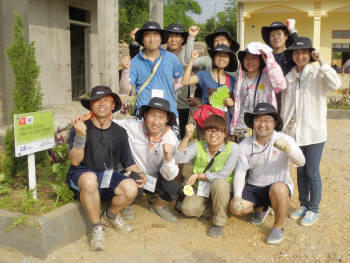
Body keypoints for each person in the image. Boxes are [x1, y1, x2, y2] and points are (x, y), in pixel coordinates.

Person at [66, 86, 146, 251]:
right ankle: (97, 227)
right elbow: (74, 161)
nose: (101, 104)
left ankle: (111, 215)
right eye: (96, 100)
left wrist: (140, 174)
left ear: (112, 105)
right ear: (90, 105)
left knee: (131, 187)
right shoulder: (80, 127)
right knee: (89, 179)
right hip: (82, 177)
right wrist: (81, 136)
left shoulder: (120, 132)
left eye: (106, 100)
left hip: (108, 177)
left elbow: (128, 161)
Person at [281, 37, 341, 226]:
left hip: (314, 133)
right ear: (292, 55)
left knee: (312, 172)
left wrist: (322, 61)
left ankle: (313, 208)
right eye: (297, 53)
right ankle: (303, 204)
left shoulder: (317, 72)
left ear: (310, 54)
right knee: (300, 171)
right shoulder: (290, 76)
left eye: (304, 52)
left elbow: (336, 84)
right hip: (295, 133)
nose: (300, 56)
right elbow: (286, 105)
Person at [229, 103, 305, 244]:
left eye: (267, 120)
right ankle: (261, 209)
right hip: (255, 186)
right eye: (258, 120)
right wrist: (238, 197)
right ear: (253, 122)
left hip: (278, 186)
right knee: (235, 209)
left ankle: (278, 227)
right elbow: (240, 172)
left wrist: (289, 150)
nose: (262, 124)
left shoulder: (284, 139)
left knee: (279, 189)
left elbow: (301, 162)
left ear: (275, 122)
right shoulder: (245, 144)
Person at [114, 97, 180, 222]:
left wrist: (168, 157)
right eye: (152, 115)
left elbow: (170, 175)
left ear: (167, 120)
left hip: (154, 179)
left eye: (161, 117)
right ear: (145, 115)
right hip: (135, 174)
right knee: (132, 183)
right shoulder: (132, 126)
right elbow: (111, 122)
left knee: (172, 187)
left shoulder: (171, 139)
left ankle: (158, 205)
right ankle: (126, 203)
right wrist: (87, 117)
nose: (156, 122)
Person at [175, 115, 239, 237]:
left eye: (218, 130)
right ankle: (218, 208)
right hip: (201, 189)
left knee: (219, 182)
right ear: (204, 133)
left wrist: (198, 175)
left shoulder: (233, 148)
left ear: (225, 133)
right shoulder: (198, 145)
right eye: (209, 130)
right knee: (187, 209)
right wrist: (187, 137)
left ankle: (219, 221)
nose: (213, 134)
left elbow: (223, 174)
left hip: (221, 189)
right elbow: (179, 158)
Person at [119, 21, 184, 119]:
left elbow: (181, 81)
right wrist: (126, 70)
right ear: (142, 40)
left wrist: (169, 90)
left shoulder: (172, 58)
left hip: (168, 113)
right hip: (143, 115)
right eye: (147, 35)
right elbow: (124, 91)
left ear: (161, 38)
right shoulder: (135, 61)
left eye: (156, 35)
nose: (152, 39)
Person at [229, 42, 286, 143]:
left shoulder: (268, 78)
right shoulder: (240, 81)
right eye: (247, 58)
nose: (250, 62)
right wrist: (233, 131)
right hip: (243, 129)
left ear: (260, 60)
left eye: (254, 58)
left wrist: (269, 60)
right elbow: (238, 107)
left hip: (262, 127)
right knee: (243, 158)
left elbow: (281, 85)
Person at [182, 44, 237, 133]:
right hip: (205, 123)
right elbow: (185, 81)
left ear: (229, 60)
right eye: (219, 55)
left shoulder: (232, 80)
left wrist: (232, 104)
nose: (221, 58)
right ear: (214, 58)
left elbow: (235, 104)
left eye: (225, 56)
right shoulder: (203, 75)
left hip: (224, 125)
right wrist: (192, 61)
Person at [261, 20, 298, 111]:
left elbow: (299, 48)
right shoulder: (265, 57)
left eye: (278, 34)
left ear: (286, 36)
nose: (275, 37)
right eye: (272, 35)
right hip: (268, 100)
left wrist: (292, 30)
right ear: (269, 38)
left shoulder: (291, 57)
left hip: (287, 101)